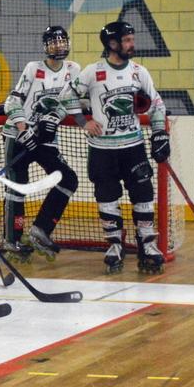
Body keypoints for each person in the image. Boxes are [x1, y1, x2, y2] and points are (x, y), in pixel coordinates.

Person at [62, 20, 169, 273]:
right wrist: (83, 121)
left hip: (133, 148)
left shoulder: (139, 72)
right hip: (102, 151)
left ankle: (147, 245)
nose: (132, 44)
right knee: (106, 197)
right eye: (127, 40)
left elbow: (157, 105)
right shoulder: (92, 71)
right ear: (112, 43)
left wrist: (159, 134)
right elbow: (66, 95)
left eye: (132, 39)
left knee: (143, 195)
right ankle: (114, 245)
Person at [0, 25, 81, 262]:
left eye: (62, 40)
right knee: (17, 186)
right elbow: (13, 101)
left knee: (67, 179)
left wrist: (53, 118)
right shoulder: (33, 68)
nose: (58, 45)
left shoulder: (74, 69)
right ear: (45, 46)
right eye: (53, 42)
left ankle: (41, 229)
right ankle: (12, 240)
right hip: (19, 135)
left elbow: (72, 101)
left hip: (45, 138)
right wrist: (22, 128)